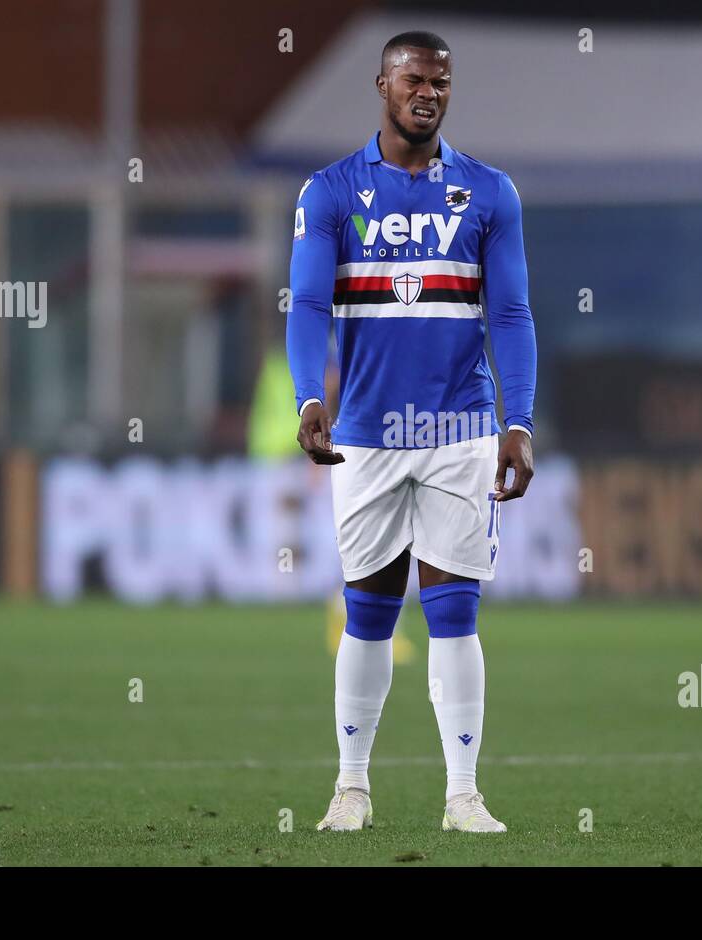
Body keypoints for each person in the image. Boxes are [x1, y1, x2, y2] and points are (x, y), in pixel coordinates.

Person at [287, 30, 537, 833]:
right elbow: (310, 307)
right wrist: (305, 400)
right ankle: (350, 787)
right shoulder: (328, 193)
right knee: (368, 609)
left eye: (440, 83)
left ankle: (463, 794)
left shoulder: (490, 192)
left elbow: (510, 314)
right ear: (382, 85)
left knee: (454, 609)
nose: (427, 93)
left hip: (458, 429)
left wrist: (518, 420)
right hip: (364, 432)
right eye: (413, 80)